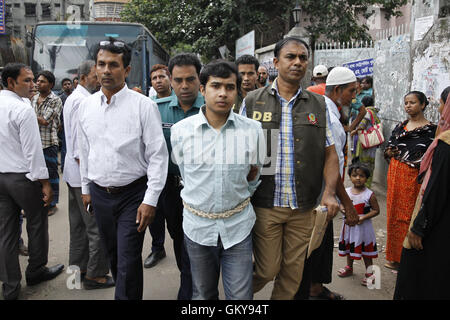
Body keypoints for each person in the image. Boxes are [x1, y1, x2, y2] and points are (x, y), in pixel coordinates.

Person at [241, 37, 342, 300]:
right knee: (267, 269)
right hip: (266, 203)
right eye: (290, 57)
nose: (298, 62)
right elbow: (238, 150)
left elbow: (331, 153)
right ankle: (234, 296)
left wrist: (329, 193)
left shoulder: (318, 105)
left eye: (303, 58)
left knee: (292, 274)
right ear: (276, 62)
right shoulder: (252, 101)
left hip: (303, 208)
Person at [77, 38, 168, 300]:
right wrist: (86, 188)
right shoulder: (86, 106)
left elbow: (158, 156)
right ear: (95, 68)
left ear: (126, 70)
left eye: (113, 65)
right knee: (115, 256)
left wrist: (150, 200)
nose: (106, 70)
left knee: (128, 257)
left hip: (133, 196)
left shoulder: (143, 106)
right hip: (100, 195)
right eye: (101, 64)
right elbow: (85, 151)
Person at [171, 60, 265, 300]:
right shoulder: (180, 131)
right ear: (203, 89)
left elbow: (255, 176)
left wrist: (234, 199)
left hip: (238, 228)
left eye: (230, 87)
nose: (223, 93)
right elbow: (184, 173)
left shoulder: (253, 130)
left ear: (237, 90)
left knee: (242, 297)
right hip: (197, 229)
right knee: (202, 294)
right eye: (215, 86)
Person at [0, 63, 64, 300]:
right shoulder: (23, 108)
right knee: (36, 223)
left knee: (6, 232)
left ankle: (10, 287)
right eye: (26, 81)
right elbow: (33, 150)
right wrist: (45, 183)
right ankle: (36, 270)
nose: (33, 85)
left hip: (1, 177)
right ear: (10, 83)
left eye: (33, 80)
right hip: (23, 178)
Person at [143, 53, 204, 300]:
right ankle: (188, 278)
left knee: (204, 239)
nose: (184, 86)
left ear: (200, 79)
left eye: (190, 79)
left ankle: (194, 286)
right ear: (171, 79)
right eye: (178, 80)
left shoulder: (213, 109)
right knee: (178, 235)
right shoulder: (157, 111)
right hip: (171, 188)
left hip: (203, 188)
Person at [296, 66, 360, 301]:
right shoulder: (330, 118)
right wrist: (346, 203)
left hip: (322, 194)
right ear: (337, 91)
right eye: (351, 91)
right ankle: (312, 290)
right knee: (317, 244)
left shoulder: (327, 111)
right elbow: (332, 168)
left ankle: (315, 288)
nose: (354, 96)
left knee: (319, 243)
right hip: (323, 194)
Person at [394, 86, 450, 300]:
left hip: (438, 224)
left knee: (421, 274)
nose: (441, 108)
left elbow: (437, 190)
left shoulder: (446, 143)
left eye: (443, 104)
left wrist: (418, 227)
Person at [63, 60, 113, 290]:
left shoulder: (75, 98)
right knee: (96, 228)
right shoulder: (83, 101)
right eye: (95, 75)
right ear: (83, 78)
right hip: (83, 176)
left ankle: (79, 268)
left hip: (73, 176)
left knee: (79, 228)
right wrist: (90, 182)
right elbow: (78, 148)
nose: (99, 78)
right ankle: (96, 275)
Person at [383, 91, 437, 271]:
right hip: (395, 174)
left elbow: (433, 156)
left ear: (422, 105)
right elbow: (389, 148)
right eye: (406, 102)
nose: (408, 106)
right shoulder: (401, 126)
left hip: (415, 178)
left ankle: (408, 257)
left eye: (412, 102)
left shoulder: (432, 130)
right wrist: (389, 153)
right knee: (393, 215)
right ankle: (394, 256)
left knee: (409, 216)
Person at [337, 163, 380, 286]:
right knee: (350, 246)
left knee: (365, 251)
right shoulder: (346, 192)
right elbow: (341, 203)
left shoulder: (369, 194)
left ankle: (370, 273)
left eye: (361, 176)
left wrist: (363, 217)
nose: (358, 178)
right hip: (349, 227)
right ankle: (349, 268)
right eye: (354, 175)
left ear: (367, 178)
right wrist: (343, 210)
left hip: (363, 228)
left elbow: (376, 210)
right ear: (350, 176)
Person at [32, 70, 63, 216]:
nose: (38, 83)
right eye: (37, 81)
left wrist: (28, 113)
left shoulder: (55, 100)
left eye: (42, 81)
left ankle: (52, 204)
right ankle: (38, 202)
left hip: (48, 143)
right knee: (35, 175)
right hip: (34, 143)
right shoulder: (34, 98)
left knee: (51, 175)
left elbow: (45, 120)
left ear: (50, 84)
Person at [350, 95, 381, 187]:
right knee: (371, 163)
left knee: (363, 163)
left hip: (365, 142)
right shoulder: (375, 112)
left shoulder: (367, 112)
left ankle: (364, 185)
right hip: (372, 142)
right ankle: (369, 183)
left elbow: (361, 126)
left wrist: (353, 131)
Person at [58, 78, 72, 174]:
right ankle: (63, 167)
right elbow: (59, 113)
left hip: (73, 125)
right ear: (63, 87)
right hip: (64, 126)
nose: (67, 85)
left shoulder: (74, 96)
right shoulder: (60, 98)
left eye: (69, 84)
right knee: (65, 148)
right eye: (65, 84)